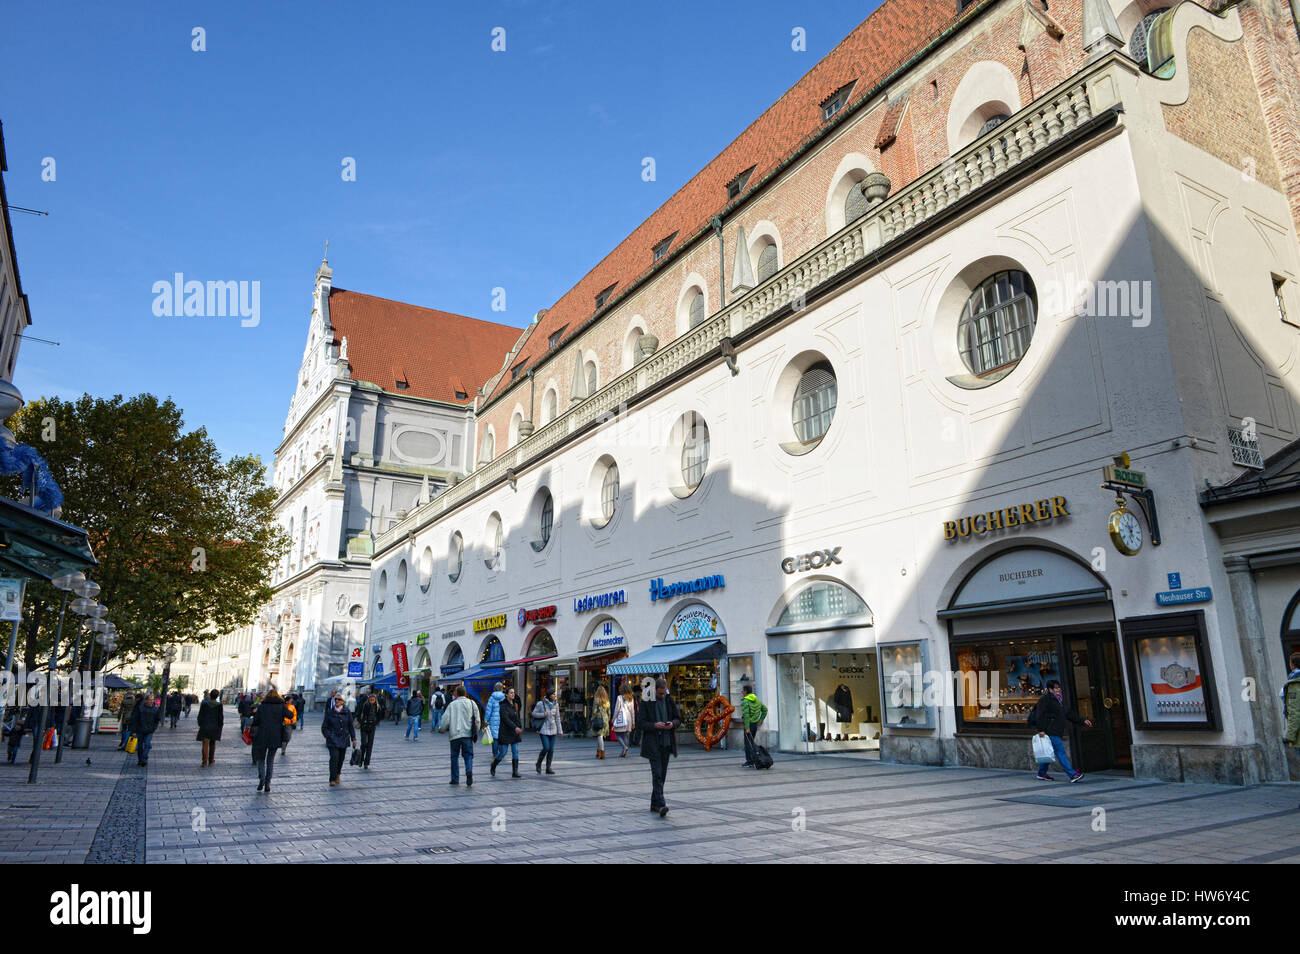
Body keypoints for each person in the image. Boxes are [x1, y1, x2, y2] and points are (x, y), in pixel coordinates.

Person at [1027, 679, 1092, 782]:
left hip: (1056, 730)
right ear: (1050, 689)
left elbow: (1068, 714)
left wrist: (1082, 720)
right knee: (1060, 752)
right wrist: (1041, 729)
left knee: (1048, 753)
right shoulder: (1045, 700)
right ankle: (1072, 774)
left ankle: (1041, 773)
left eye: (1059, 687)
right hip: (1050, 730)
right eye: (1056, 688)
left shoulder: (1059, 700)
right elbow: (1040, 715)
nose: (1058, 689)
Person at [637, 677, 681, 817]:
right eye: (660, 693)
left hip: (666, 743)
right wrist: (654, 725)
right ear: (655, 690)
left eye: (664, 693)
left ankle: (654, 804)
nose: (663, 696)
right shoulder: (647, 702)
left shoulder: (669, 700)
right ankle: (662, 805)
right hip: (653, 743)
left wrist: (672, 724)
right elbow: (640, 723)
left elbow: (678, 718)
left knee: (662, 775)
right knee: (657, 774)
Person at [438, 684, 479, 786]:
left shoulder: (452, 705)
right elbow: (477, 719)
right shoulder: (472, 703)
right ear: (465, 693)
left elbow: (445, 718)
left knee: (454, 757)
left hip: (455, 735)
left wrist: (442, 729)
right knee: (468, 755)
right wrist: (476, 731)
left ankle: (455, 779)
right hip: (467, 734)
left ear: (456, 694)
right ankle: (468, 771)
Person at [250, 688, 287, 792]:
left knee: (261, 759)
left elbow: (256, 720)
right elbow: (290, 715)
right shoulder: (281, 706)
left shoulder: (262, 706)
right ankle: (268, 783)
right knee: (270, 760)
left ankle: (261, 778)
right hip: (275, 736)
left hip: (262, 735)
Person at [321, 692, 357, 787]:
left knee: (341, 759)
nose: (337, 701)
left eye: (339, 699)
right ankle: (332, 778)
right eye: (335, 699)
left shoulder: (347, 712)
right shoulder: (330, 712)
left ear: (343, 702)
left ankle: (338, 774)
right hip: (332, 740)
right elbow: (324, 727)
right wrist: (328, 736)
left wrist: (353, 738)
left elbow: (350, 726)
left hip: (344, 739)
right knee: (334, 758)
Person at [491, 686, 524, 778]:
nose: (513, 694)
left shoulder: (514, 705)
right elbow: (506, 719)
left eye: (513, 692)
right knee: (503, 752)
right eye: (511, 693)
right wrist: (515, 727)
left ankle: (515, 772)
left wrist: (519, 727)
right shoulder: (502, 706)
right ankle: (493, 765)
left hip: (514, 732)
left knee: (515, 751)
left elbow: (516, 718)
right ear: (506, 695)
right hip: (505, 732)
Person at [128, 693, 163, 767]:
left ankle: (144, 758)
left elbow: (157, 719)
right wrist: (133, 731)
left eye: (152, 700)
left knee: (147, 744)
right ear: (146, 700)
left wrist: (154, 727)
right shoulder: (140, 708)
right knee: (140, 745)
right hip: (140, 729)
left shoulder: (155, 709)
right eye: (150, 700)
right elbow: (134, 719)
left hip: (149, 730)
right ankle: (140, 759)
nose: (151, 701)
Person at [533, 688, 562, 775]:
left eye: (555, 694)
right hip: (543, 730)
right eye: (553, 694)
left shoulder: (556, 704)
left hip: (553, 730)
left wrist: (560, 730)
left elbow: (557, 718)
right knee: (546, 748)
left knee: (551, 750)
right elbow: (533, 713)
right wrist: (543, 714)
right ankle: (538, 763)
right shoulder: (540, 704)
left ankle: (548, 768)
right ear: (549, 695)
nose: (555, 696)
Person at [740, 684, 768, 768]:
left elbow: (746, 715)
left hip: (749, 725)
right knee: (751, 743)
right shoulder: (757, 700)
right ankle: (753, 760)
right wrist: (760, 720)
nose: (742, 692)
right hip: (755, 725)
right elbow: (765, 709)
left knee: (747, 744)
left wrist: (747, 727)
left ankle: (749, 761)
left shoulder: (745, 701)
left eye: (742, 691)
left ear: (745, 692)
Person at [196, 689, 223, 767]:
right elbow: (220, 717)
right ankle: (211, 760)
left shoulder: (205, 704)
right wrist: (220, 726)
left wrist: (200, 723)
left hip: (205, 725)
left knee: (205, 744)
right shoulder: (219, 705)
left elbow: (200, 715)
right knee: (212, 743)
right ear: (217, 696)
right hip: (214, 727)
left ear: (210, 695)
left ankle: (204, 762)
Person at [611, 684, 637, 758]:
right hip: (629, 718)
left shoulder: (619, 697)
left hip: (621, 718)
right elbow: (633, 711)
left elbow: (617, 709)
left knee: (617, 734)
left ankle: (624, 747)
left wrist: (613, 719)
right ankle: (624, 752)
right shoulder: (631, 698)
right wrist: (633, 722)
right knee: (626, 735)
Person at [356, 690, 380, 768]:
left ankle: (366, 763)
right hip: (364, 727)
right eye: (371, 700)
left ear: (375, 700)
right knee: (363, 744)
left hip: (372, 727)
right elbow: (358, 715)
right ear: (368, 699)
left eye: (373, 700)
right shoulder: (364, 705)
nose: (372, 701)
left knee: (370, 745)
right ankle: (361, 760)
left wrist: (375, 722)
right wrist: (362, 722)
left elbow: (380, 716)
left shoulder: (377, 706)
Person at [485, 682, 505, 765]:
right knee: (501, 736)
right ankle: (502, 751)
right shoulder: (504, 697)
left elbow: (488, 710)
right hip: (502, 719)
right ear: (501, 688)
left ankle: (495, 754)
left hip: (493, 720)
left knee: (495, 738)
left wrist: (486, 720)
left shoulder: (492, 698)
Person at [591, 686, 611, 759]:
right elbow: (609, 712)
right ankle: (598, 751)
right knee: (601, 736)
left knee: (599, 736)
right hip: (605, 719)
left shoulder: (596, 700)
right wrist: (608, 719)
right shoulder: (607, 700)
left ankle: (602, 753)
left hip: (598, 718)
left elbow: (594, 711)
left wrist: (592, 718)